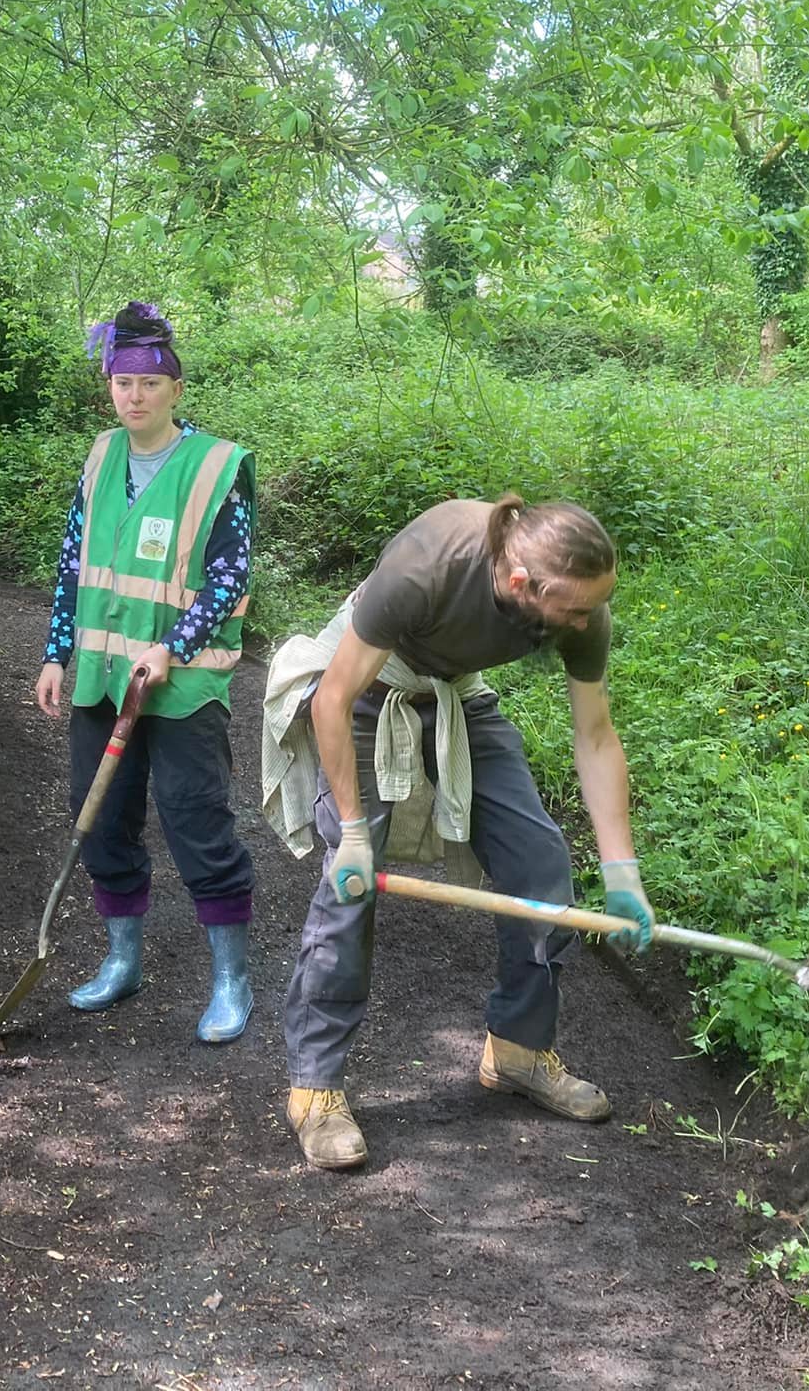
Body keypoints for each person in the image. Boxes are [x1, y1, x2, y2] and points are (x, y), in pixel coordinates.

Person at [262, 493, 653, 1169]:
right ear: (521, 583)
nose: (587, 621)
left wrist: (622, 871)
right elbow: (332, 699)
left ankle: (519, 1049)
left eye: (595, 606)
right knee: (351, 886)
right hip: (364, 690)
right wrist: (352, 832)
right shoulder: (428, 564)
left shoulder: (581, 604)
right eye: (574, 610)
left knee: (540, 863)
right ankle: (315, 1088)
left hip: (455, 694)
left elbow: (595, 736)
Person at [34, 302, 260, 1043]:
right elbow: (73, 563)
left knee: (196, 820)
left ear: (175, 389)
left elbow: (229, 577)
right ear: (109, 387)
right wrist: (56, 652)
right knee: (99, 817)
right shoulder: (101, 456)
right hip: (103, 676)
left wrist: (173, 646)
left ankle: (230, 978)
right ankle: (122, 960)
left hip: (183, 684)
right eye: (122, 382)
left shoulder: (216, 467)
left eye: (150, 383)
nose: (134, 395)